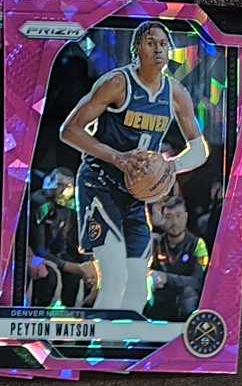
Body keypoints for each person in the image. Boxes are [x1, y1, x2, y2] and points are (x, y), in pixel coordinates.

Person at [56, 20, 208, 315]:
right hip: (100, 183)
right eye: (151, 43)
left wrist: (171, 166)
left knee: (138, 288)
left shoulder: (176, 93)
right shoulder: (117, 83)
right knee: (114, 279)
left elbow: (200, 149)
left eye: (163, 44)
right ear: (136, 49)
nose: (158, 49)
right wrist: (118, 158)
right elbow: (69, 130)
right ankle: (99, 343)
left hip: (135, 194)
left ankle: (114, 339)